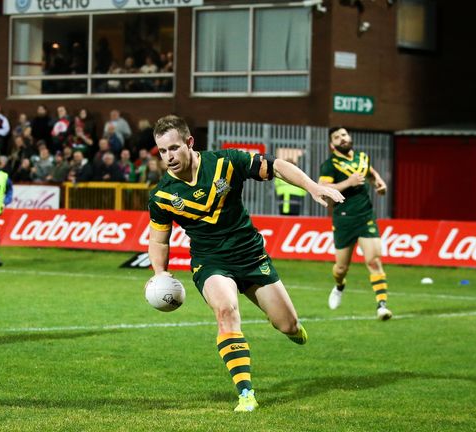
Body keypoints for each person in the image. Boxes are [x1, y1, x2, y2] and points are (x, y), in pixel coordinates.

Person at [146, 115, 344, 412]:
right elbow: (159, 241)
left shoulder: (226, 163)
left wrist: (312, 187)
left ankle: (291, 327)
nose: (169, 156)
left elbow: (277, 165)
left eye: (173, 148)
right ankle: (246, 393)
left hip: (250, 255)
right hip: (210, 261)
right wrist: (161, 273)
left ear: (189, 142)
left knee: (287, 324)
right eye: (162, 151)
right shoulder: (162, 195)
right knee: (226, 310)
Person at [318, 126, 392, 320]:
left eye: (344, 135)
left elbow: (371, 174)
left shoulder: (362, 158)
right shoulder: (330, 165)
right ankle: (339, 286)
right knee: (341, 268)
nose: (342, 138)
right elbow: (322, 189)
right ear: (332, 145)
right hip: (343, 219)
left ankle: (382, 305)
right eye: (337, 137)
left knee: (374, 261)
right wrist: (347, 183)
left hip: (365, 216)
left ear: (349, 137)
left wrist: (380, 184)